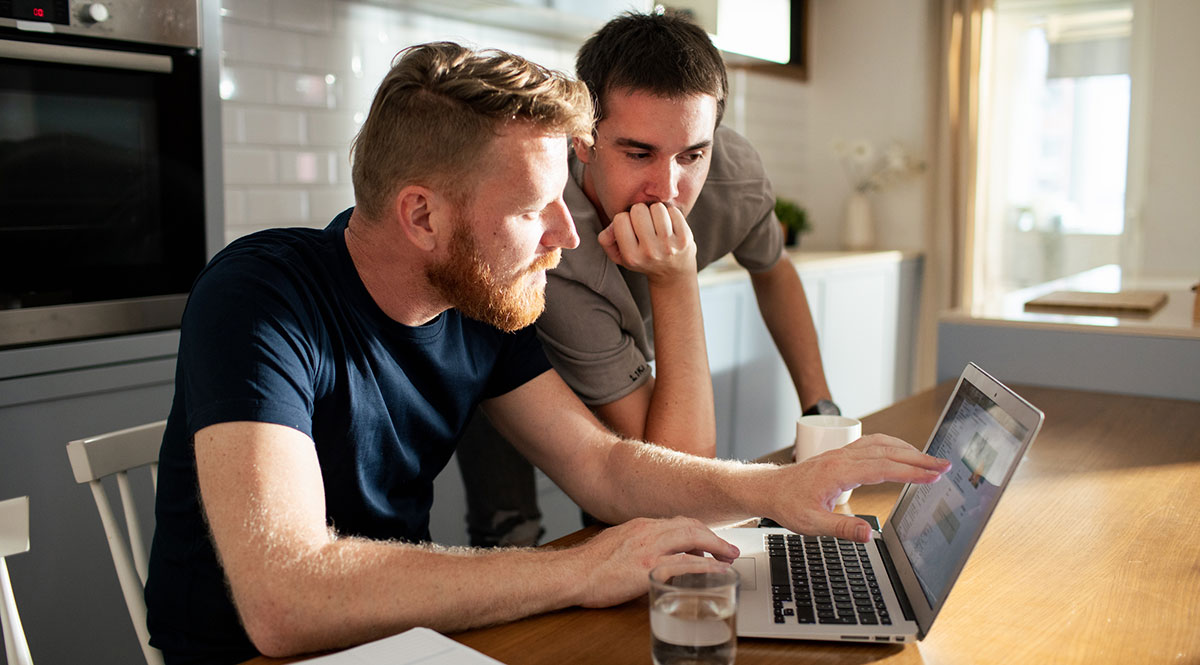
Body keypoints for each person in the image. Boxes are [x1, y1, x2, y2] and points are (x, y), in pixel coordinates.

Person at [144, 41, 949, 665]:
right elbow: (284, 598)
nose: (568, 237)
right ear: (421, 216)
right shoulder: (259, 300)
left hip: (399, 641)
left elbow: (602, 465)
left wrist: (780, 486)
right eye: (538, 210)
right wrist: (579, 568)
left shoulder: (475, 306)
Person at [458, 9, 841, 544]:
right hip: (506, 343)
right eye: (639, 153)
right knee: (513, 532)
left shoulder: (735, 177)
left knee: (629, 515)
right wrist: (676, 280)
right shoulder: (552, 239)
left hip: (622, 345)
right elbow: (677, 470)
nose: (667, 187)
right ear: (584, 140)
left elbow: (773, 271)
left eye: (693, 153)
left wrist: (820, 408)